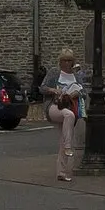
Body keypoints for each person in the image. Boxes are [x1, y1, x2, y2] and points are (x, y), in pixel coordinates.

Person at [41, 48, 83, 182]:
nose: (66, 63)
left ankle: (62, 172)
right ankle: (68, 146)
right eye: (64, 60)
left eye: (69, 60)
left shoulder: (76, 75)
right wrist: (53, 90)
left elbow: (84, 91)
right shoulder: (54, 72)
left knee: (63, 137)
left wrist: (77, 93)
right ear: (60, 61)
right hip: (54, 106)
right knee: (68, 116)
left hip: (69, 104)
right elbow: (42, 88)